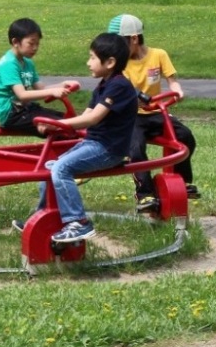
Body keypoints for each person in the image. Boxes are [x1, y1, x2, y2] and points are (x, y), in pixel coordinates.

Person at [13, 33, 138, 242]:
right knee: (50, 166)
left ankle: (79, 222)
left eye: (91, 58)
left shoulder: (119, 86)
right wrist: (58, 126)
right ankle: (42, 215)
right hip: (94, 143)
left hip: (109, 149)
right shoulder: (103, 85)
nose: (87, 63)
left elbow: (93, 119)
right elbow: (86, 115)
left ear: (110, 62)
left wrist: (58, 124)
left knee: (61, 168)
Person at [108, 14, 199, 211]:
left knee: (185, 137)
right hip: (132, 116)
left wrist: (177, 90)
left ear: (134, 38)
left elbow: (172, 80)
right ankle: (145, 194)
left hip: (157, 112)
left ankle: (182, 182)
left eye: (119, 43)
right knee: (135, 149)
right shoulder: (119, 63)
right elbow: (122, 88)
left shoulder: (159, 55)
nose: (115, 49)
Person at [0, 17, 78, 136]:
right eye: (31, 43)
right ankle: (61, 153)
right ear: (15, 42)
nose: (35, 48)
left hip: (26, 109)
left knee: (69, 121)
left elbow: (41, 89)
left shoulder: (27, 62)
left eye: (37, 44)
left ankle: (62, 151)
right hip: (12, 115)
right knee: (61, 127)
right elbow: (23, 95)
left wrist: (62, 85)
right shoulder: (8, 64)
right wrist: (53, 92)